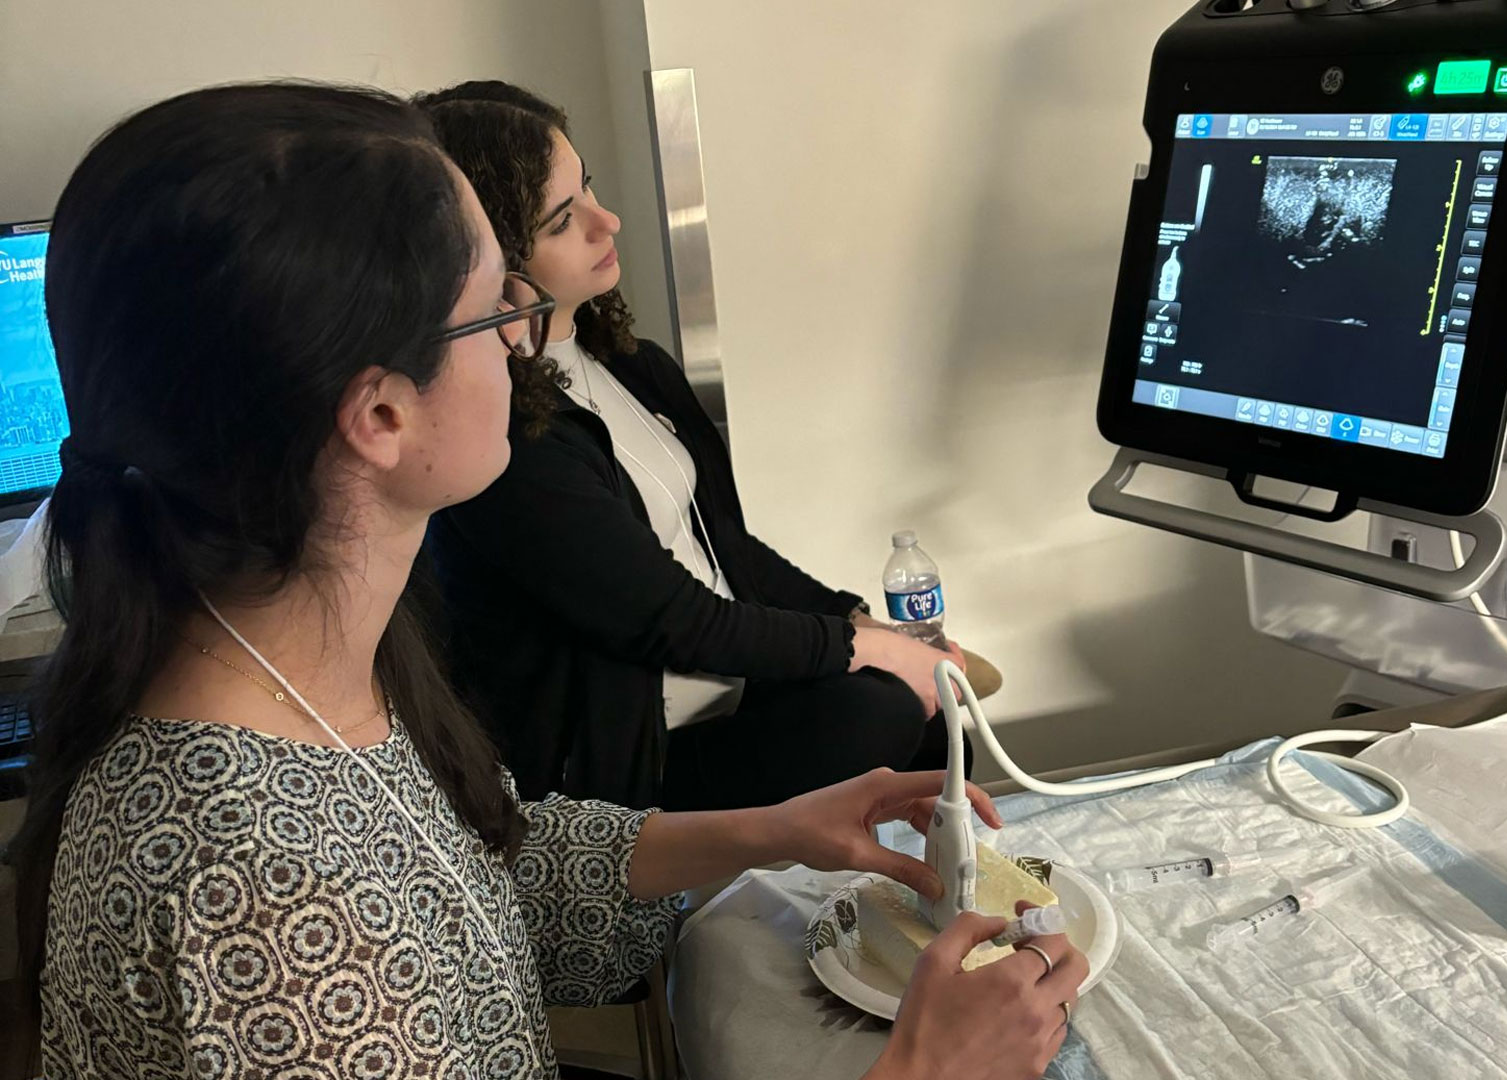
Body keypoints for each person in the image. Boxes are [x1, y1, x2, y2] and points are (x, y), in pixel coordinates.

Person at [4, 81, 1085, 1079]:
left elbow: (486, 876)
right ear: (381, 414)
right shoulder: (265, 907)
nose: (528, 339)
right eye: (497, 308)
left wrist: (773, 827)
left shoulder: (308, 680)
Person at [418, 80, 968, 813]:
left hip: (728, 692)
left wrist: (861, 622)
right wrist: (866, 650)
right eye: (564, 220)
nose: (607, 221)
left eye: (588, 187)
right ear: (492, 260)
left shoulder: (631, 364)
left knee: (934, 717)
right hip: (632, 766)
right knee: (886, 710)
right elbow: (672, 618)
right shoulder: (509, 439)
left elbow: (728, 550)